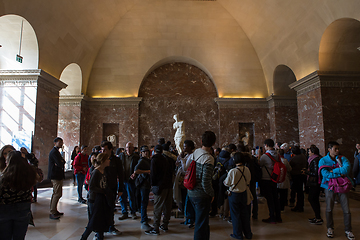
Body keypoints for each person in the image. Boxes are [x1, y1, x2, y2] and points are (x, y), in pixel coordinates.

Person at [319, 141, 355, 240]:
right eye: (335, 149)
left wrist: (333, 171)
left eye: (338, 149)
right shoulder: (323, 160)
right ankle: (330, 228)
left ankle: (348, 229)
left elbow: (346, 169)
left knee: (346, 209)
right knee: (329, 208)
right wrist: (339, 173)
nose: (338, 151)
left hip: (343, 186)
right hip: (329, 187)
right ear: (329, 149)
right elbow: (325, 174)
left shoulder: (343, 158)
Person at [0, 151, 37, 240]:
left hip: (4, 209)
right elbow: (35, 164)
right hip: (23, 208)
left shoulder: (4, 178)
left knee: (4, 237)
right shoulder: (30, 175)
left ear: (9, 161)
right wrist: (28, 155)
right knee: (19, 237)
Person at [188, 131, 216, 240]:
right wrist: (212, 194)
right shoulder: (209, 158)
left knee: (202, 222)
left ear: (201, 141)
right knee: (201, 224)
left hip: (191, 192)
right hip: (201, 195)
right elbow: (205, 181)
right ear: (213, 143)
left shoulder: (195, 153)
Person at [80, 153, 112, 240]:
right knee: (93, 221)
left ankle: (100, 237)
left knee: (100, 220)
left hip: (100, 199)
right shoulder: (96, 172)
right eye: (108, 159)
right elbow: (92, 187)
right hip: (94, 199)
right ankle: (83, 237)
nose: (109, 161)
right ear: (103, 161)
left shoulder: (103, 170)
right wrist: (103, 191)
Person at [145, 144, 175, 235]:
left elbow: (153, 174)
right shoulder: (168, 159)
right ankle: (165, 224)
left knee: (158, 208)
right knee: (167, 207)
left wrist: (152, 185)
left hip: (159, 186)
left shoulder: (154, 160)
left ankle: (156, 228)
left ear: (154, 151)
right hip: (169, 185)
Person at [223, 152, 252, 240]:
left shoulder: (233, 171)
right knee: (245, 214)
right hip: (244, 193)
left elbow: (226, 183)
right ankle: (248, 234)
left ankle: (238, 234)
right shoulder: (246, 169)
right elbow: (249, 180)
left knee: (235, 215)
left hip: (234, 194)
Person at [101, 141, 123, 235]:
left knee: (110, 208)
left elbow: (121, 175)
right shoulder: (100, 159)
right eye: (102, 150)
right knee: (101, 209)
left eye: (105, 150)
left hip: (112, 187)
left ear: (110, 150)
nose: (103, 152)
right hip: (101, 189)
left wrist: (120, 189)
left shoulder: (116, 160)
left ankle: (111, 226)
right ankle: (101, 228)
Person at [259, 138, 282, 224]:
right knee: (275, 198)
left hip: (266, 178)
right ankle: (278, 217)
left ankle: (272, 217)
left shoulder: (265, 156)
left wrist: (259, 155)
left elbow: (260, 164)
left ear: (267, 146)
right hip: (274, 178)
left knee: (270, 199)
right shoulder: (277, 155)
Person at [131, 145, 152, 231]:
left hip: (146, 184)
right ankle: (143, 220)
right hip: (143, 184)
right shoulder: (142, 161)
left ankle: (145, 217)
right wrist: (147, 171)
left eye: (147, 151)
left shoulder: (147, 160)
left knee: (145, 202)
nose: (146, 153)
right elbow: (136, 170)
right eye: (144, 152)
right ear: (141, 153)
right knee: (143, 202)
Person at [176, 140, 196, 227]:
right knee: (184, 200)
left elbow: (186, 168)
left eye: (185, 147)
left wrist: (182, 160)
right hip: (184, 180)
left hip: (188, 180)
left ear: (190, 147)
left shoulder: (192, 156)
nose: (184, 148)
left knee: (188, 201)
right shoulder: (187, 155)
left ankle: (190, 219)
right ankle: (187, 218)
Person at [118, 141, 140, 220]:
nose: (128, 149)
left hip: (130, 180)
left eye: (130, 147)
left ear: (133, 148)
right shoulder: (121, 156)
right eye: (127, 147)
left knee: (131, 197)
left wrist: (135, 174)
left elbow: (138, 167)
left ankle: (133, 212)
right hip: (122, 179)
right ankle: (124, 212)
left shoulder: (136, 157)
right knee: (122, 197)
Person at [304, 145, 323, 224]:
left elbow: (315, 173)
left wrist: (306, 172)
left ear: (313, 152)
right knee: (314, 199)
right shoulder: (314, 159)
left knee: (312, 199)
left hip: (315, 183)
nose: (308, 153)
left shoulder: (315, 160)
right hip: (314, 182)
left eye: (309, 151)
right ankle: (317, 217)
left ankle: (318, 217)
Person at [48, 137, 66, 220]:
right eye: (59, 142)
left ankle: (54, 210)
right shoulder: (54, 152)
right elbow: (60, 163)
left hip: (58, 175)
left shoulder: (57, 152)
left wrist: (61, 161)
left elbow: (63, 162)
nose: (61, 144)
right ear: (55, 143)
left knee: (57, 193)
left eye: (61, 142)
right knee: (57, 194)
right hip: (55, 175)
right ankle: (52, 211)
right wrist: (61, 162)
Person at [289, 146, 307, 212]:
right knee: (300, 191)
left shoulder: (295, 158)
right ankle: (300, 205)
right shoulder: (303, 156)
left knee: (297, 191)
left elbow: (290, 166)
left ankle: (299, 206)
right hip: (302, 175)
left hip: (296, 175)